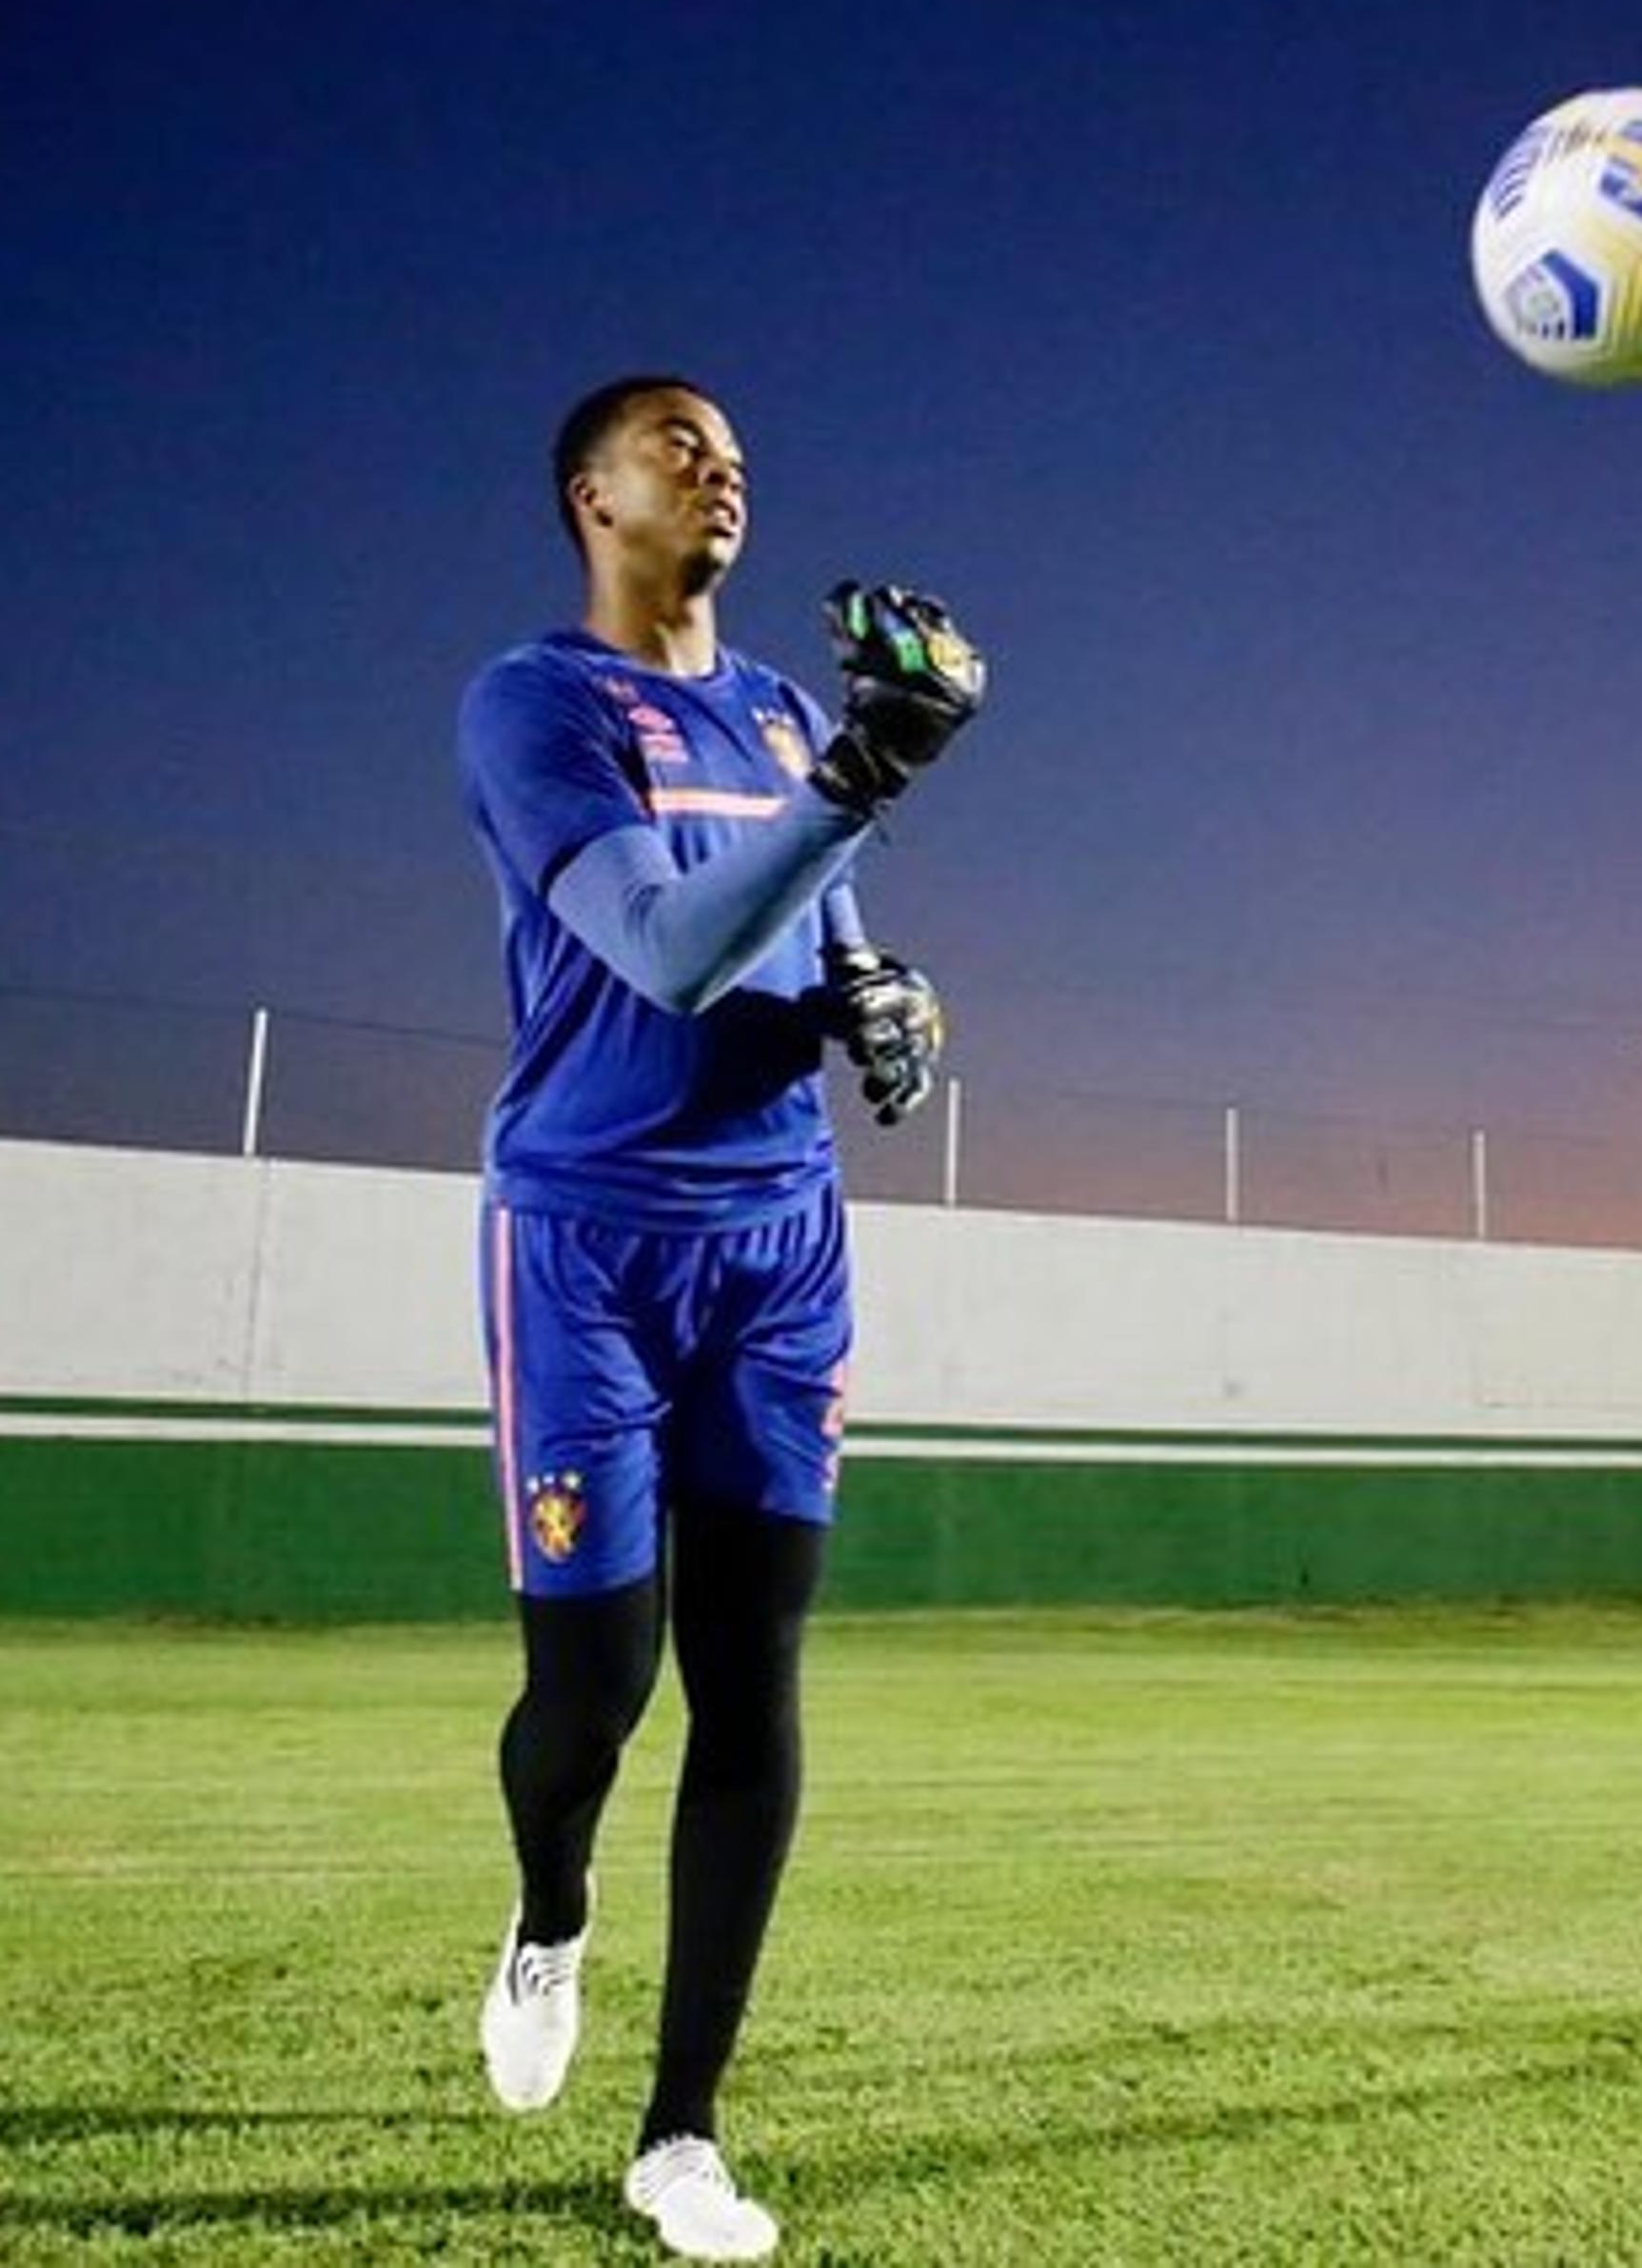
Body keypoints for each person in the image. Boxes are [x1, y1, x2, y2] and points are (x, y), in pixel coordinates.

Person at [455, 373, 982, 2261]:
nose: (721, 461)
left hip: (779, 1252)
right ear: (591, 494)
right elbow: (673, 953)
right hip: (586, 1239)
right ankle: (548, 1910)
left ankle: (682, 2130)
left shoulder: (773, 706)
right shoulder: (537, 703)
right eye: (678, 442)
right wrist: (866, 769)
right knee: (594, 1689)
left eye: (739, 446)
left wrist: (882, 1002)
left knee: (753, 1685)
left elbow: (809, 946)